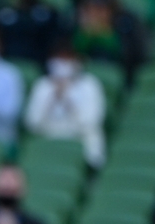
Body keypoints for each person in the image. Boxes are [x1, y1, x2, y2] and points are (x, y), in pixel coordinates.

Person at [24, 42, 106, 171]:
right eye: (58, 58)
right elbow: (32, 123)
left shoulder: (90, 85)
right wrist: (53, 98)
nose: (61, 63)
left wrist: (67, 101)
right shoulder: (43, 85)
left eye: (66, 58)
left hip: (81, 142)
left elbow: (90, 123)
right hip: (48, 142)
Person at [67, 0, 148, 88]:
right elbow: (71, 54)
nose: (96, 14)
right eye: (91, 9)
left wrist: (105, 34)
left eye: (100, 9)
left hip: (122, 79)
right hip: (83, 78)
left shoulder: (128, 21)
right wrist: (85, 35)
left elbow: (135, 55)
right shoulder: (74, 23)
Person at [0, 0, 64, 68]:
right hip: (7, 62)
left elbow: (55, 43)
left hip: (38, 64)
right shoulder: (4, 13)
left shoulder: (49, 14)